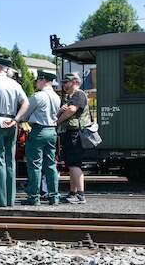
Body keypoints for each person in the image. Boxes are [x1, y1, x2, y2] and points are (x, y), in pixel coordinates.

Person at [0, 56, 29, 207]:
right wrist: (16, 119)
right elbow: (26, 103)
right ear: (6, 69)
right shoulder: (15, 84)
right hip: (11, 124)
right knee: (10, 161)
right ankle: (10, 199)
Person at [22, 70, 61, 206]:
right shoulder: (57, 97)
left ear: (43, 80)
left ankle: (34, 196)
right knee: (51, 165)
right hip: (52, 132)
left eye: (38, 80)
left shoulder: (38, 96)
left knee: (35, 165)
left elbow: (24, 114)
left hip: (38, 131)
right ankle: (54, 196)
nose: (36, 83)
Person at [57, 72, 91, 204]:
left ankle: (81, 195)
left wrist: (58, 121)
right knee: (71, 164)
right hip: (70, 132)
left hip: (75, 133)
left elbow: (72, 109)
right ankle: (73, 193)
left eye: (67, 82)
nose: (64, 84)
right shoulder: (69, 96)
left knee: (74, 164)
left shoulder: (79, 94)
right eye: (64, 82)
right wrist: (61, 110)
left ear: (75, 82)